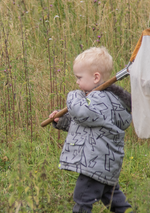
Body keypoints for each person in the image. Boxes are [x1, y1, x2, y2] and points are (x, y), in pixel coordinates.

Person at [49, 47, 133, 213]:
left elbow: (82, 113)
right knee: (114, 201)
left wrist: (75, 95)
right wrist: (62, 120)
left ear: (96, 77)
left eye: (79, 78)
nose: (77, 83)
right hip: (104, 163)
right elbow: (85, 125)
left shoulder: (100, 99)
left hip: (94, 164)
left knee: (82, 199)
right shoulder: (105, 101)